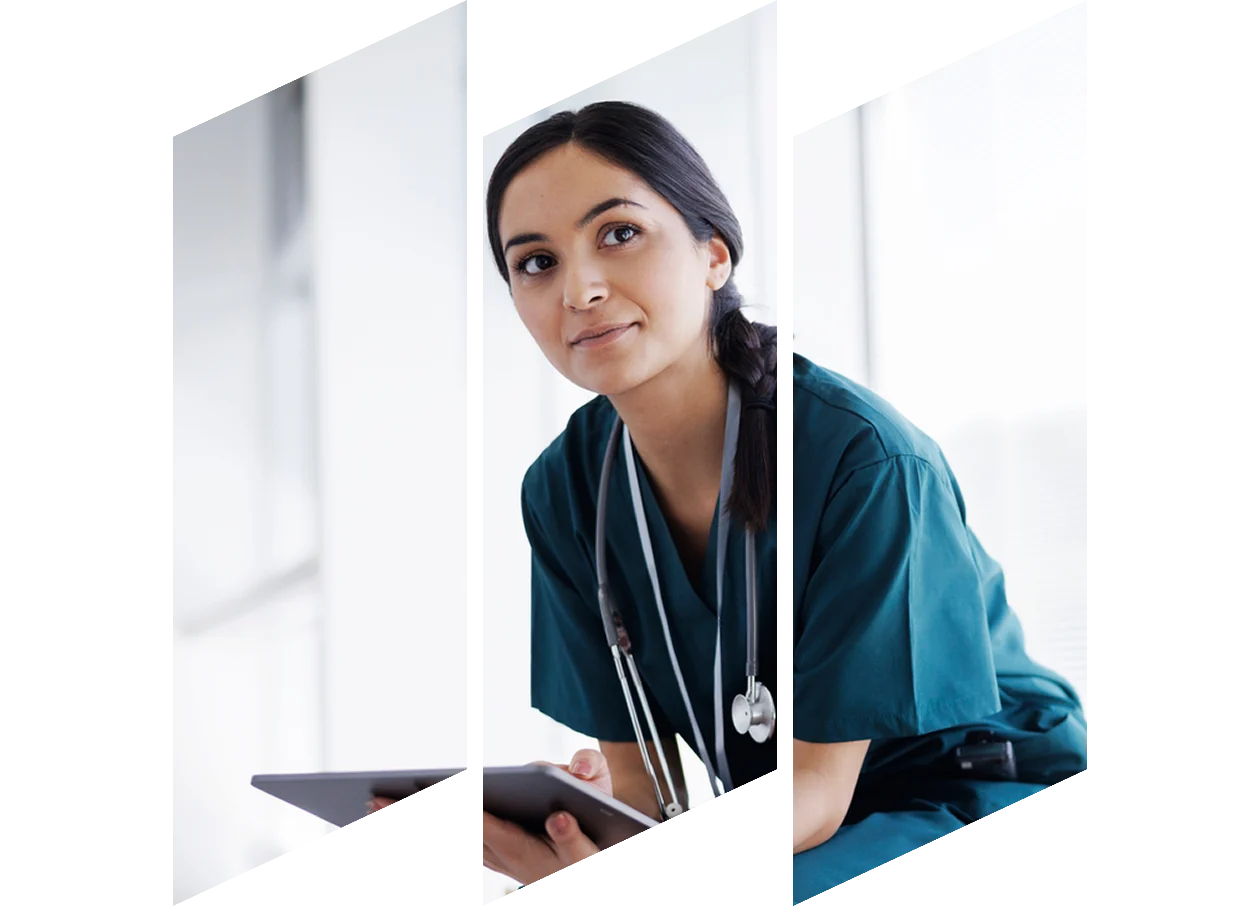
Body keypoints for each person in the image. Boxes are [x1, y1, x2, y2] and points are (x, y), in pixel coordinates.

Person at [377, 101, 1089, 900]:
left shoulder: (864, 461)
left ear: (714, 255)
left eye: (618, 234)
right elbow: (649, 791)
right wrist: (578, 823)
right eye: (536, 262)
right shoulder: (566, 489)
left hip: (970, 788)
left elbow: (818, 795)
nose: (578, 289)